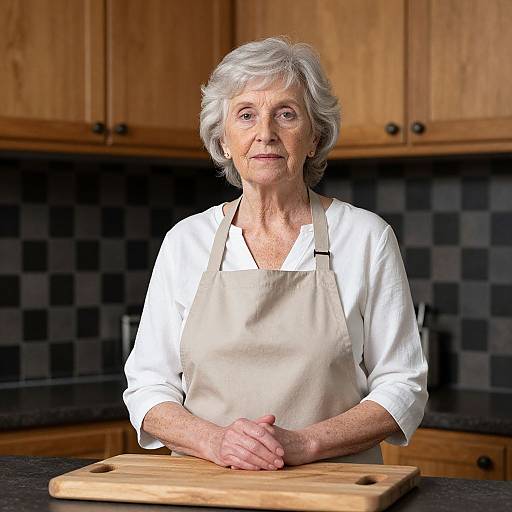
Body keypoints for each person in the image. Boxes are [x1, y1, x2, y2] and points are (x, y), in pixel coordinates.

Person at [123, 36, 428, 471]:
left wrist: (305, 444)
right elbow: (148, 386)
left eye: (286, 114)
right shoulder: (184, 243)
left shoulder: (365, 237)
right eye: (246, 115)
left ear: (314, 136)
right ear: (224, 140)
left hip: (334, 487)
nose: (265, 133)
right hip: (206, 489)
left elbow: (403, 383)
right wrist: (216, 441)